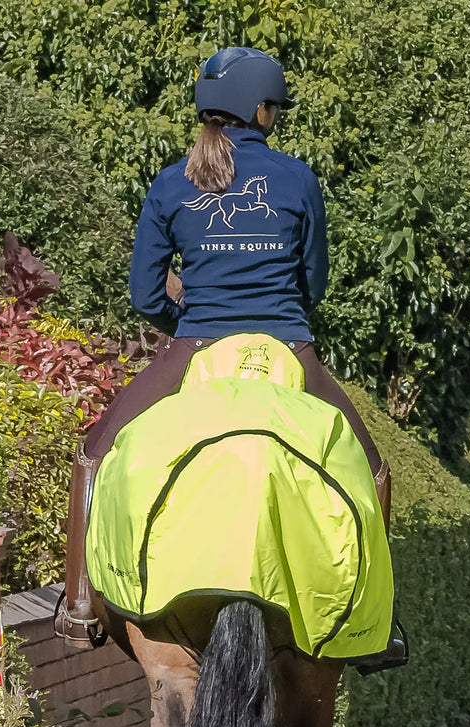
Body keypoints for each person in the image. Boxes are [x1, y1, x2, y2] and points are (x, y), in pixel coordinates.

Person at [60, 47, 390, 641]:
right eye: (275, 108)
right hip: (288, 345)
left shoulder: (170, 183)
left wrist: (189, 311)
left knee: (95, 452)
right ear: (261, 110)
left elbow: (143, 293)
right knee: (371, 467)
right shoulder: (297, 178)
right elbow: (313, 282)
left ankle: (81, 601)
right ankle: (379, 622)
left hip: (195, 345)